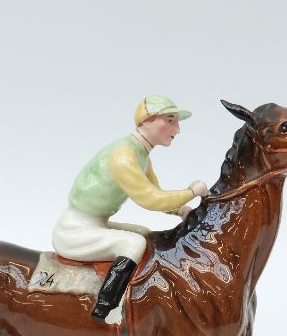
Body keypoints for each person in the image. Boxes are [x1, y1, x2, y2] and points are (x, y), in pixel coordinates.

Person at [52, 94, 209, 321]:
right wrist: (192, 192)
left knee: (143, 233)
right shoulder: (124, 156)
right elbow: (150, 199)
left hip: (95, 223)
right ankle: (105, 308)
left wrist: (180, 209)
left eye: (177, 122)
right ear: (146, 121)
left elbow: (155, 192)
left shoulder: (140, 154)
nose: (177, 129)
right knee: (134, 243)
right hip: (74, 230)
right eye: (170, 121)